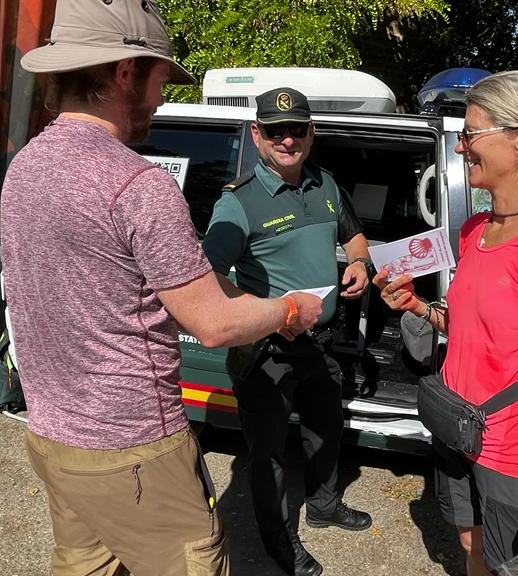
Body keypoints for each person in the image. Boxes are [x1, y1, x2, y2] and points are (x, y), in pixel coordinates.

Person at [0, 1, 322, 575]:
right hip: (133, 448)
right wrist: (289, 308)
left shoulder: (26, 166)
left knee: (85, 563)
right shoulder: (137, 183)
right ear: (125, 72)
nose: (161, 96)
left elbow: (114, 278)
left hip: (51, 433)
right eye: (159, 78)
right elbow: (214, 324)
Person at [374, 70, 518, 575]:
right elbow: (471, 332)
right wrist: (416, 307)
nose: (460, 148)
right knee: (470, 547)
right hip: (458, 430)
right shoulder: (475, 229)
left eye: (470, 135)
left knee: (516, 568)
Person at [202, 87, 374, 576]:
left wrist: (360, 261)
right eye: (275, 130)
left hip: (321, 342)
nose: (287, 139)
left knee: (325, 430)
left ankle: (322, 505)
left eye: (296, 128)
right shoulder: (239, 203)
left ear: (311, 132)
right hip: (267, 352)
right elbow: (208, 279)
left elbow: (353, 234)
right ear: (257, 135)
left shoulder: (325, 184)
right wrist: (276, 313)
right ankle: (280, 544)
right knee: (270, 453)